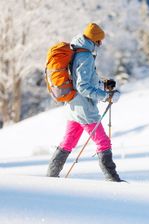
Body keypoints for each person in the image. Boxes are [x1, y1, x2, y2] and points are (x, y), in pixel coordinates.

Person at [47, 23, 122, 182]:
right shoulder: (85, 56)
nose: (101, 44)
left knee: (68, 142)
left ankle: (50, 177)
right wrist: (106, 96)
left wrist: (103, 83)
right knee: (103, 142)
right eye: (100, 41)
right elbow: (83, 86)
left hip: (72, 105)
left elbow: (80, 79)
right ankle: (113, 179)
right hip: (84, 107)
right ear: (96, 41)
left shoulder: (75, 50)